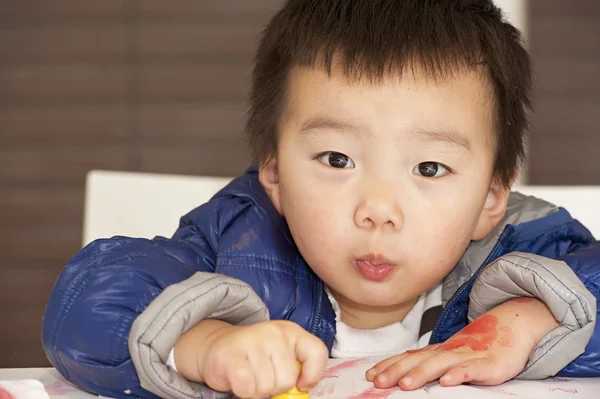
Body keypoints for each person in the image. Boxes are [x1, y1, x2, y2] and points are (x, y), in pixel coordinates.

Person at [42, 1, 600, 398]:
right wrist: (203, 342)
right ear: (275, 172)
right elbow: (86, 305)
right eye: (337, 160)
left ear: (490, 198)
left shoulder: (533, 249)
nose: (378, 208)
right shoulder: (238, 242)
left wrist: (532, 319)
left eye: (429, 168)